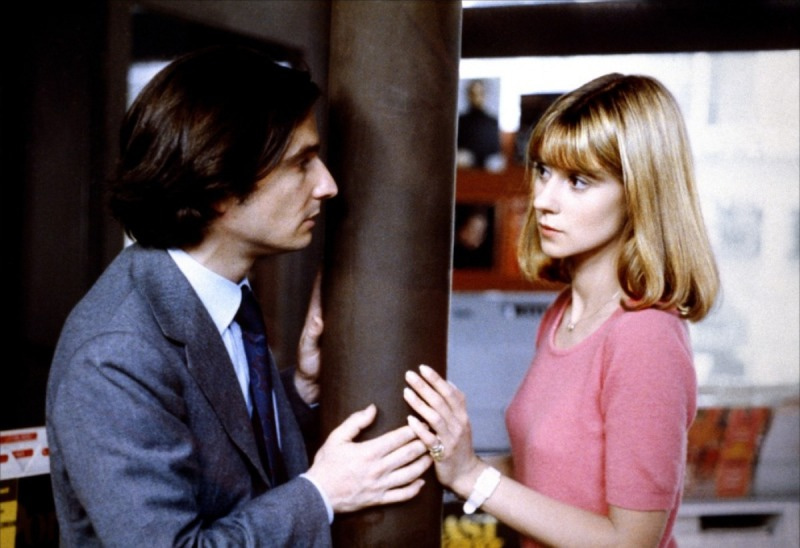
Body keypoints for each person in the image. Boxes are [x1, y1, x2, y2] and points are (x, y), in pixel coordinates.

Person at [45, 45, 431, 547]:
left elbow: (224, 457)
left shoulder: (217, 295)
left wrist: (300, 391)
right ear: (218, 187)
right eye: (302, 163)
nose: (328, 185)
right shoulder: (115, 356)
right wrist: (320, 495)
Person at [405, 73, 719, 547]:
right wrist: (443, 460)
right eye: (544, 171)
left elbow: (630, 542)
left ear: (640, 192)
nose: (542, 200)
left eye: (578, 181)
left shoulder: (645, 336)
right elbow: (547, 475)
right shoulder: (563, 314)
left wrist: (471, 476)